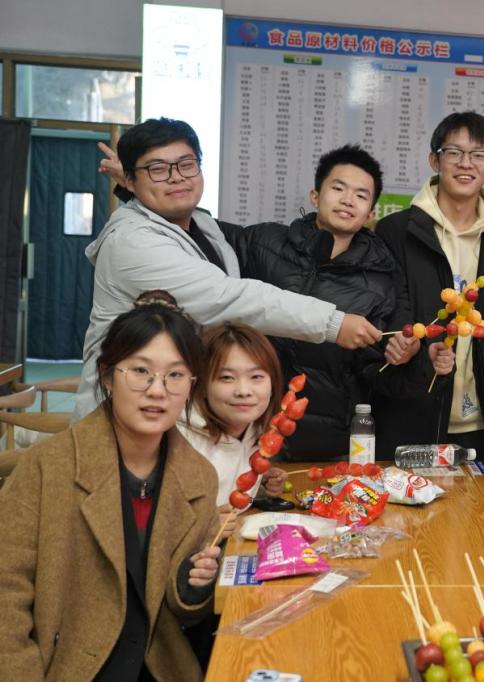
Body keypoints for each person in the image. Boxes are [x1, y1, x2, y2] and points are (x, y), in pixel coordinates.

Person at [75, 117, 383, 420]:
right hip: (126, 417)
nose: (177, 177)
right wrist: (332, 323)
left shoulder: (202, 225)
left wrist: (143, 181)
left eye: (186, 164)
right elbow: (226, 297)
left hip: (181, 411)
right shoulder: (132, 241)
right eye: (157, 169)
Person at [0, 293, 221, 681]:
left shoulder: (199, 477)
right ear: (106, 375)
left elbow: (185, 612)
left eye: (175, 375)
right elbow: (6, 592)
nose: (157, 390)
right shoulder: (48, 467)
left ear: (191, 385)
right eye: (140, 370)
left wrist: (193, 589)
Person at [221, 145, 445, 459]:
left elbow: (378, 374)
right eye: (338, 188)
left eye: (361, 195)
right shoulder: (263, 242)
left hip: (323, 445)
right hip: (246, 432)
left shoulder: (380, 282)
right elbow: (199, 238)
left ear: (370, 214)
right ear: (315, 196)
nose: (347, 200)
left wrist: (413, 360)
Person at [374, 112, 484, 460]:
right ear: (434, 160)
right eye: (454, 152)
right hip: (411, 409)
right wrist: (410, 346)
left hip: (483, 418)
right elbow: (388, 305)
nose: (465, 163)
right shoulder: (396, 231)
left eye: (478, 155)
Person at [178, 322, 288, 532]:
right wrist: (201, 530)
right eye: (227, 378)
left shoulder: (255, 429)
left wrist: (259, 485)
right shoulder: (176, 441)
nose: (243, 391)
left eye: (256, 377)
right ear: (201, 385)